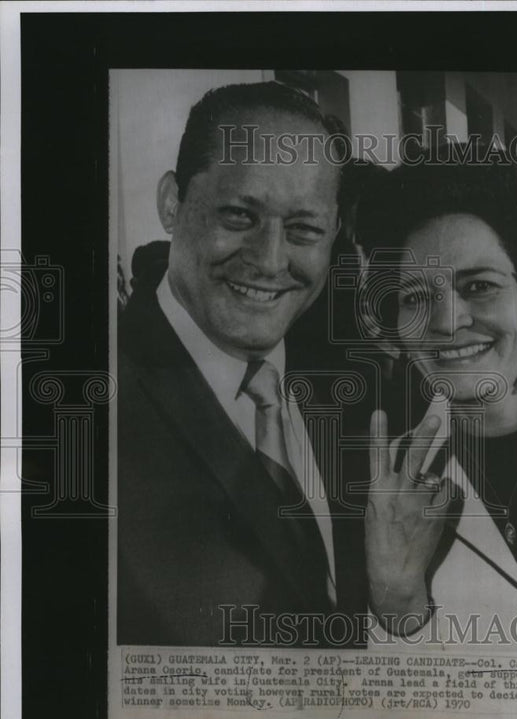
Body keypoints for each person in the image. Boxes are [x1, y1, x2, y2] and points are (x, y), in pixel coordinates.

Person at [117, 81, 367, 647]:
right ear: (171, 204)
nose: (271, 260)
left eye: (303, 229)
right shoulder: (80, 407)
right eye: (238, 215)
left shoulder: (359, 395)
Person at [356, 158, 517, 652]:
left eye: (478, 287)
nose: (446, 321)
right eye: (416, 297)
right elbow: (401, 716)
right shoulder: (385, 483)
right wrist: (397, 606)